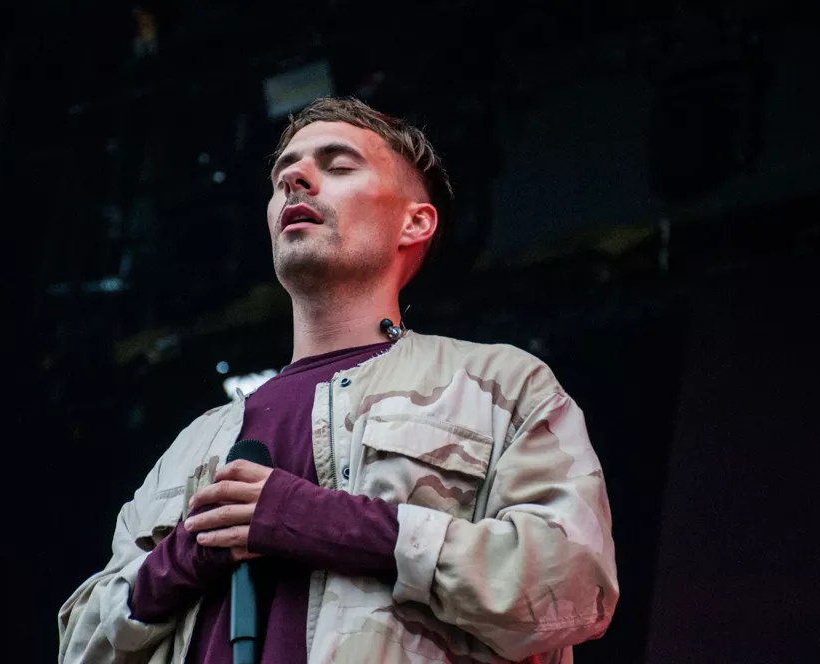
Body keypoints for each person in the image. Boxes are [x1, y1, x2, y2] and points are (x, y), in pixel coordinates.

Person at [58, 97, 618, 664]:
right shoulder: (192, 445)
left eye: (339, 165)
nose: (295, 179)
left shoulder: (499, 386)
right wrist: (181, 558)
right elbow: (79, 647)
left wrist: (320, 521)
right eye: (282, 176)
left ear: (415, 222)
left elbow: (574, 586)